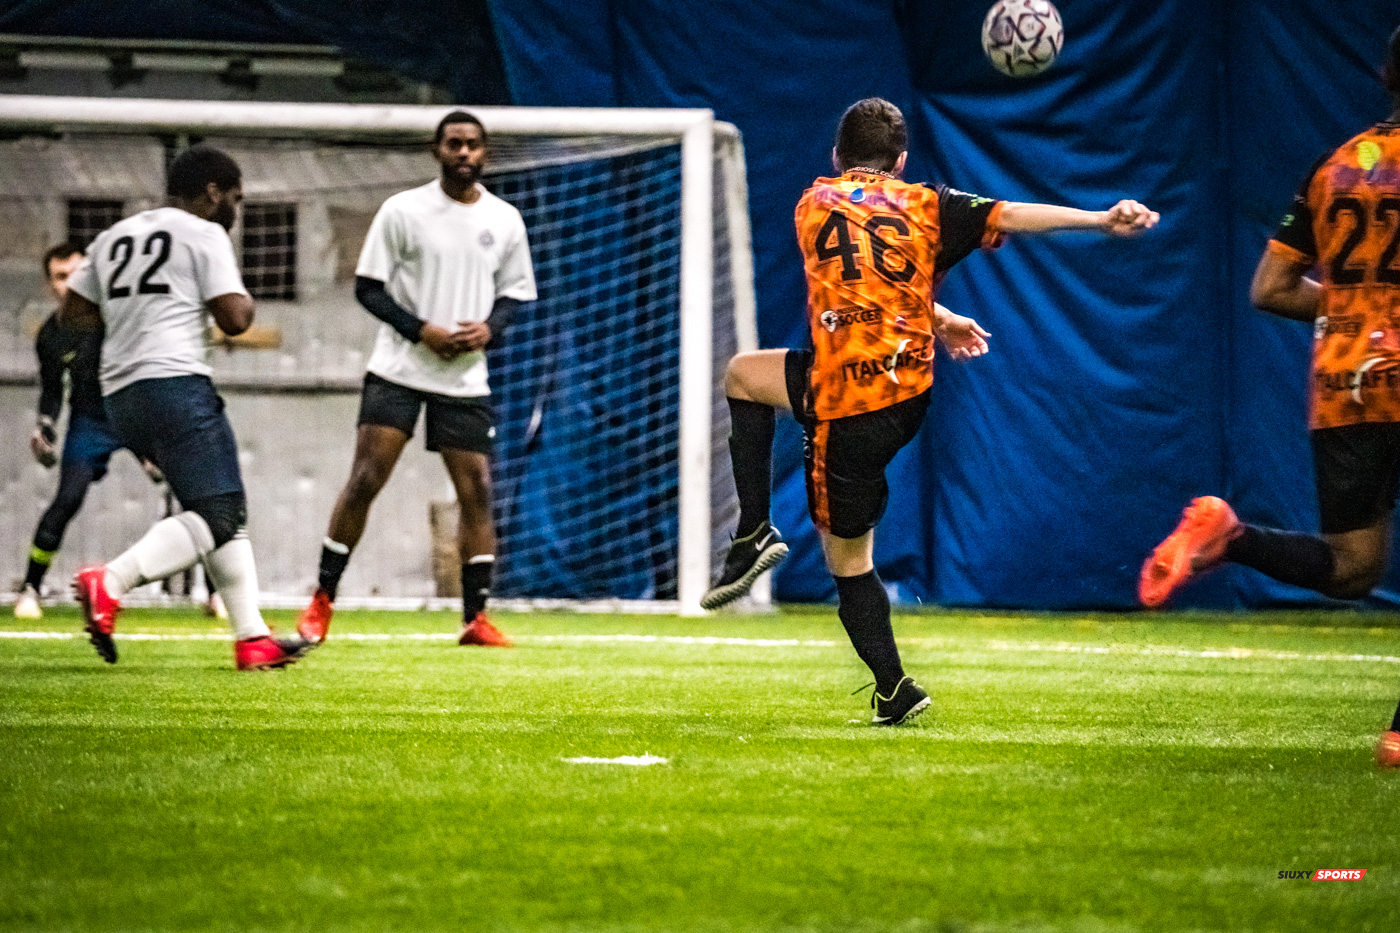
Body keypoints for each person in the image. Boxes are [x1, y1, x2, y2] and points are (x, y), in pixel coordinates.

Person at [705, 97, 1158, 725]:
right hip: (905, 394)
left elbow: (857, 280)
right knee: (746, 375)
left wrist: (936, 319)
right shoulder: (926, 205)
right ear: (902, 160)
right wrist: (1101, 219)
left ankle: (885, 678)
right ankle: (756, 536)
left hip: (847, 403)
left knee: (848, 561)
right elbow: (1011, 214)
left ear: (837, 157)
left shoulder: (813, 203)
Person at [1139, 28, 1400, 768]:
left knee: (1354, 568)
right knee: (1358, 569)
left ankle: (1233, 536)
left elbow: (1272, 288)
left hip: (1346, 382)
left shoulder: (1337, 166)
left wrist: (1359, 308)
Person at [61, 144, 310, 670]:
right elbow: (235, 319)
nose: (236, 212)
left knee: (214, 505)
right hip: (175, 383)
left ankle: (252, 638)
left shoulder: (112, 237)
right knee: (220, 512)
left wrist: (133, 321)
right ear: (212, 192)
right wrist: (239, 298)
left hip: (122, 395)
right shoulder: (203, 232)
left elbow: (73, 314)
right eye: (235, 199)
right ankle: (110, 582)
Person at [295, 110, 536, 648]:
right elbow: (368, 288)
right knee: (365, 480)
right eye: (455, 144)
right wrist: (419, 329)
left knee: (476, 491)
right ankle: (322, 601)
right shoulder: (403, 210)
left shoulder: (505, 220)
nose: (465, 154)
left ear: (486, 153)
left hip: (465, 377)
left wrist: (488, 331)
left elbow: (516, 294)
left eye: (474, 145)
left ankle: (475, 619)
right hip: (399, 370)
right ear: (436, 150)